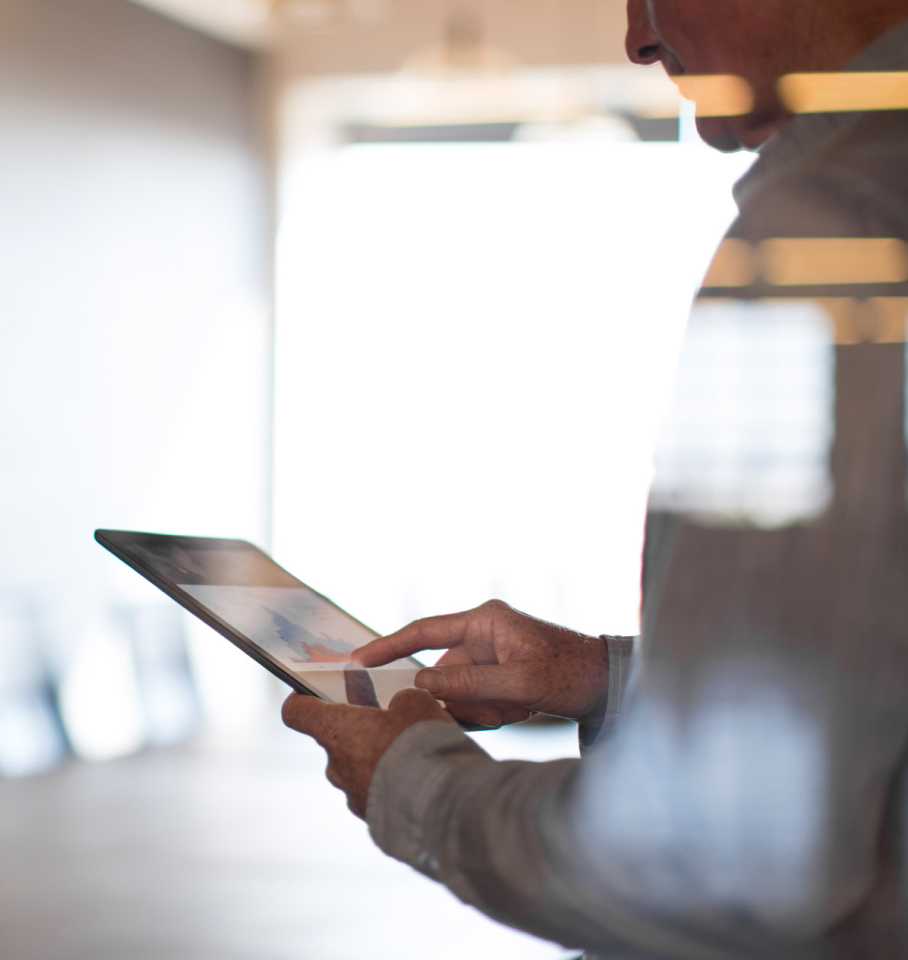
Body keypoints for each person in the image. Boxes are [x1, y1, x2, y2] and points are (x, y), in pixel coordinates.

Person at [283, 1, 908, 955]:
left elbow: (719, 859)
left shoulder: (834, 222)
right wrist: (602, 675)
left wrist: (416, 782)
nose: (636, 38)